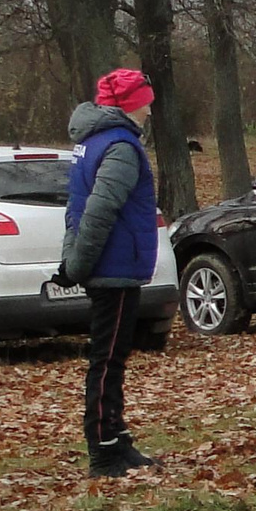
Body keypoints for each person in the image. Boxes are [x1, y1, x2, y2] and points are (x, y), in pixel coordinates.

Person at [57, 68, 160, 477]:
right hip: (113, 268)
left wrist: (73, 259)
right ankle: (102, 449)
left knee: (113, 358)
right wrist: (78, 264)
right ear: (131, 104)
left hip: (115, 266)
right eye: (146, 102)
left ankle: (117, 440)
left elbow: (75, 208)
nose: (150, 110)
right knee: (107, 362)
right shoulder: (120, 147)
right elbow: (98, 211)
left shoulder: (93, 142)